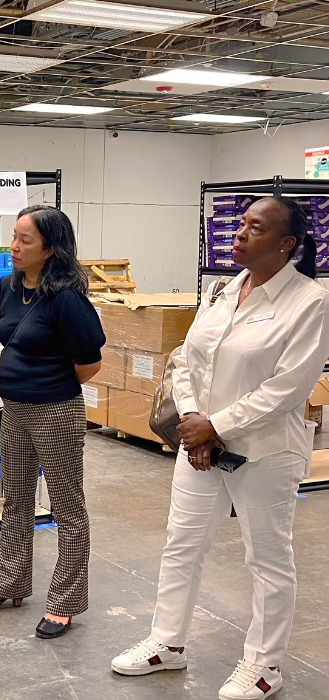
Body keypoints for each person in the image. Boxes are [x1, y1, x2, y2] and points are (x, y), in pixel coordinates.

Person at [111, 196, 329, 700]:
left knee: (268, 558)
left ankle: (264, 666)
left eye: (256, 228)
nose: (240, 234)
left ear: (286, 244)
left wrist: (218, 426)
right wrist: (191, 420)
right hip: (200, 446)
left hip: (266, 453)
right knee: (181, 545)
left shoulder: (309, 302)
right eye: (241, 224)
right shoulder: (221, 291)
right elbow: (186, 359)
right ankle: (167, 643)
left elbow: (288, 387)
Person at [0, 205, 104, 640]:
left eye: (25, 240)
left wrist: (48, 383)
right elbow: (8, 336)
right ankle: (9, 584)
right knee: (16, 499)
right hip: (14, 408)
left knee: (67, 507)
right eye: (14, 237)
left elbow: (90, 363)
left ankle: (64, 603)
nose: (14, 247)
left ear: (49, 248)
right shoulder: (7, 286)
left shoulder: (66, 297)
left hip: (56, 412)